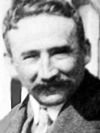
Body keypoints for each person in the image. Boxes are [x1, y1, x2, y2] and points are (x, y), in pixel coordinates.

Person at [0, 0, 100, 133]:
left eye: (59, 53)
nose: (47, 73)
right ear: (11, 64)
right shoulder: (6, 125)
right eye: (31, 57)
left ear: (86, 52)